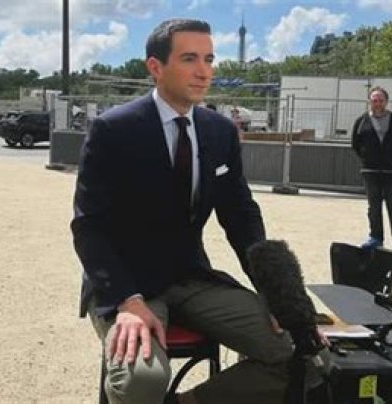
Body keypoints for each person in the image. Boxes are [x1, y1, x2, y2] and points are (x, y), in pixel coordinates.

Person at [72, 19, 321, 404]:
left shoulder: (220, 132)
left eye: (209, 59)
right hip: (127, 283)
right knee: (142, 381)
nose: (204, 71)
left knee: (302, 353)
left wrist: (278, 295)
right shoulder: (113, 130)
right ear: (155, 67)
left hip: (192, 278)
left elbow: (241, 216)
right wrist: (127, 302)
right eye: (190, 59)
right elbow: (89, 227)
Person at [352, 86, 392, 258]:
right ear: (369, 101)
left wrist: (390, 157)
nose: (377, 103)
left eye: (380, 100)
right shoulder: (361, 121)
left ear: (386, 101)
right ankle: (375, 238)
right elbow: (355, 144)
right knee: (374, 207)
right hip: (370, 171)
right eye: (374, 100)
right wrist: (368, 158)